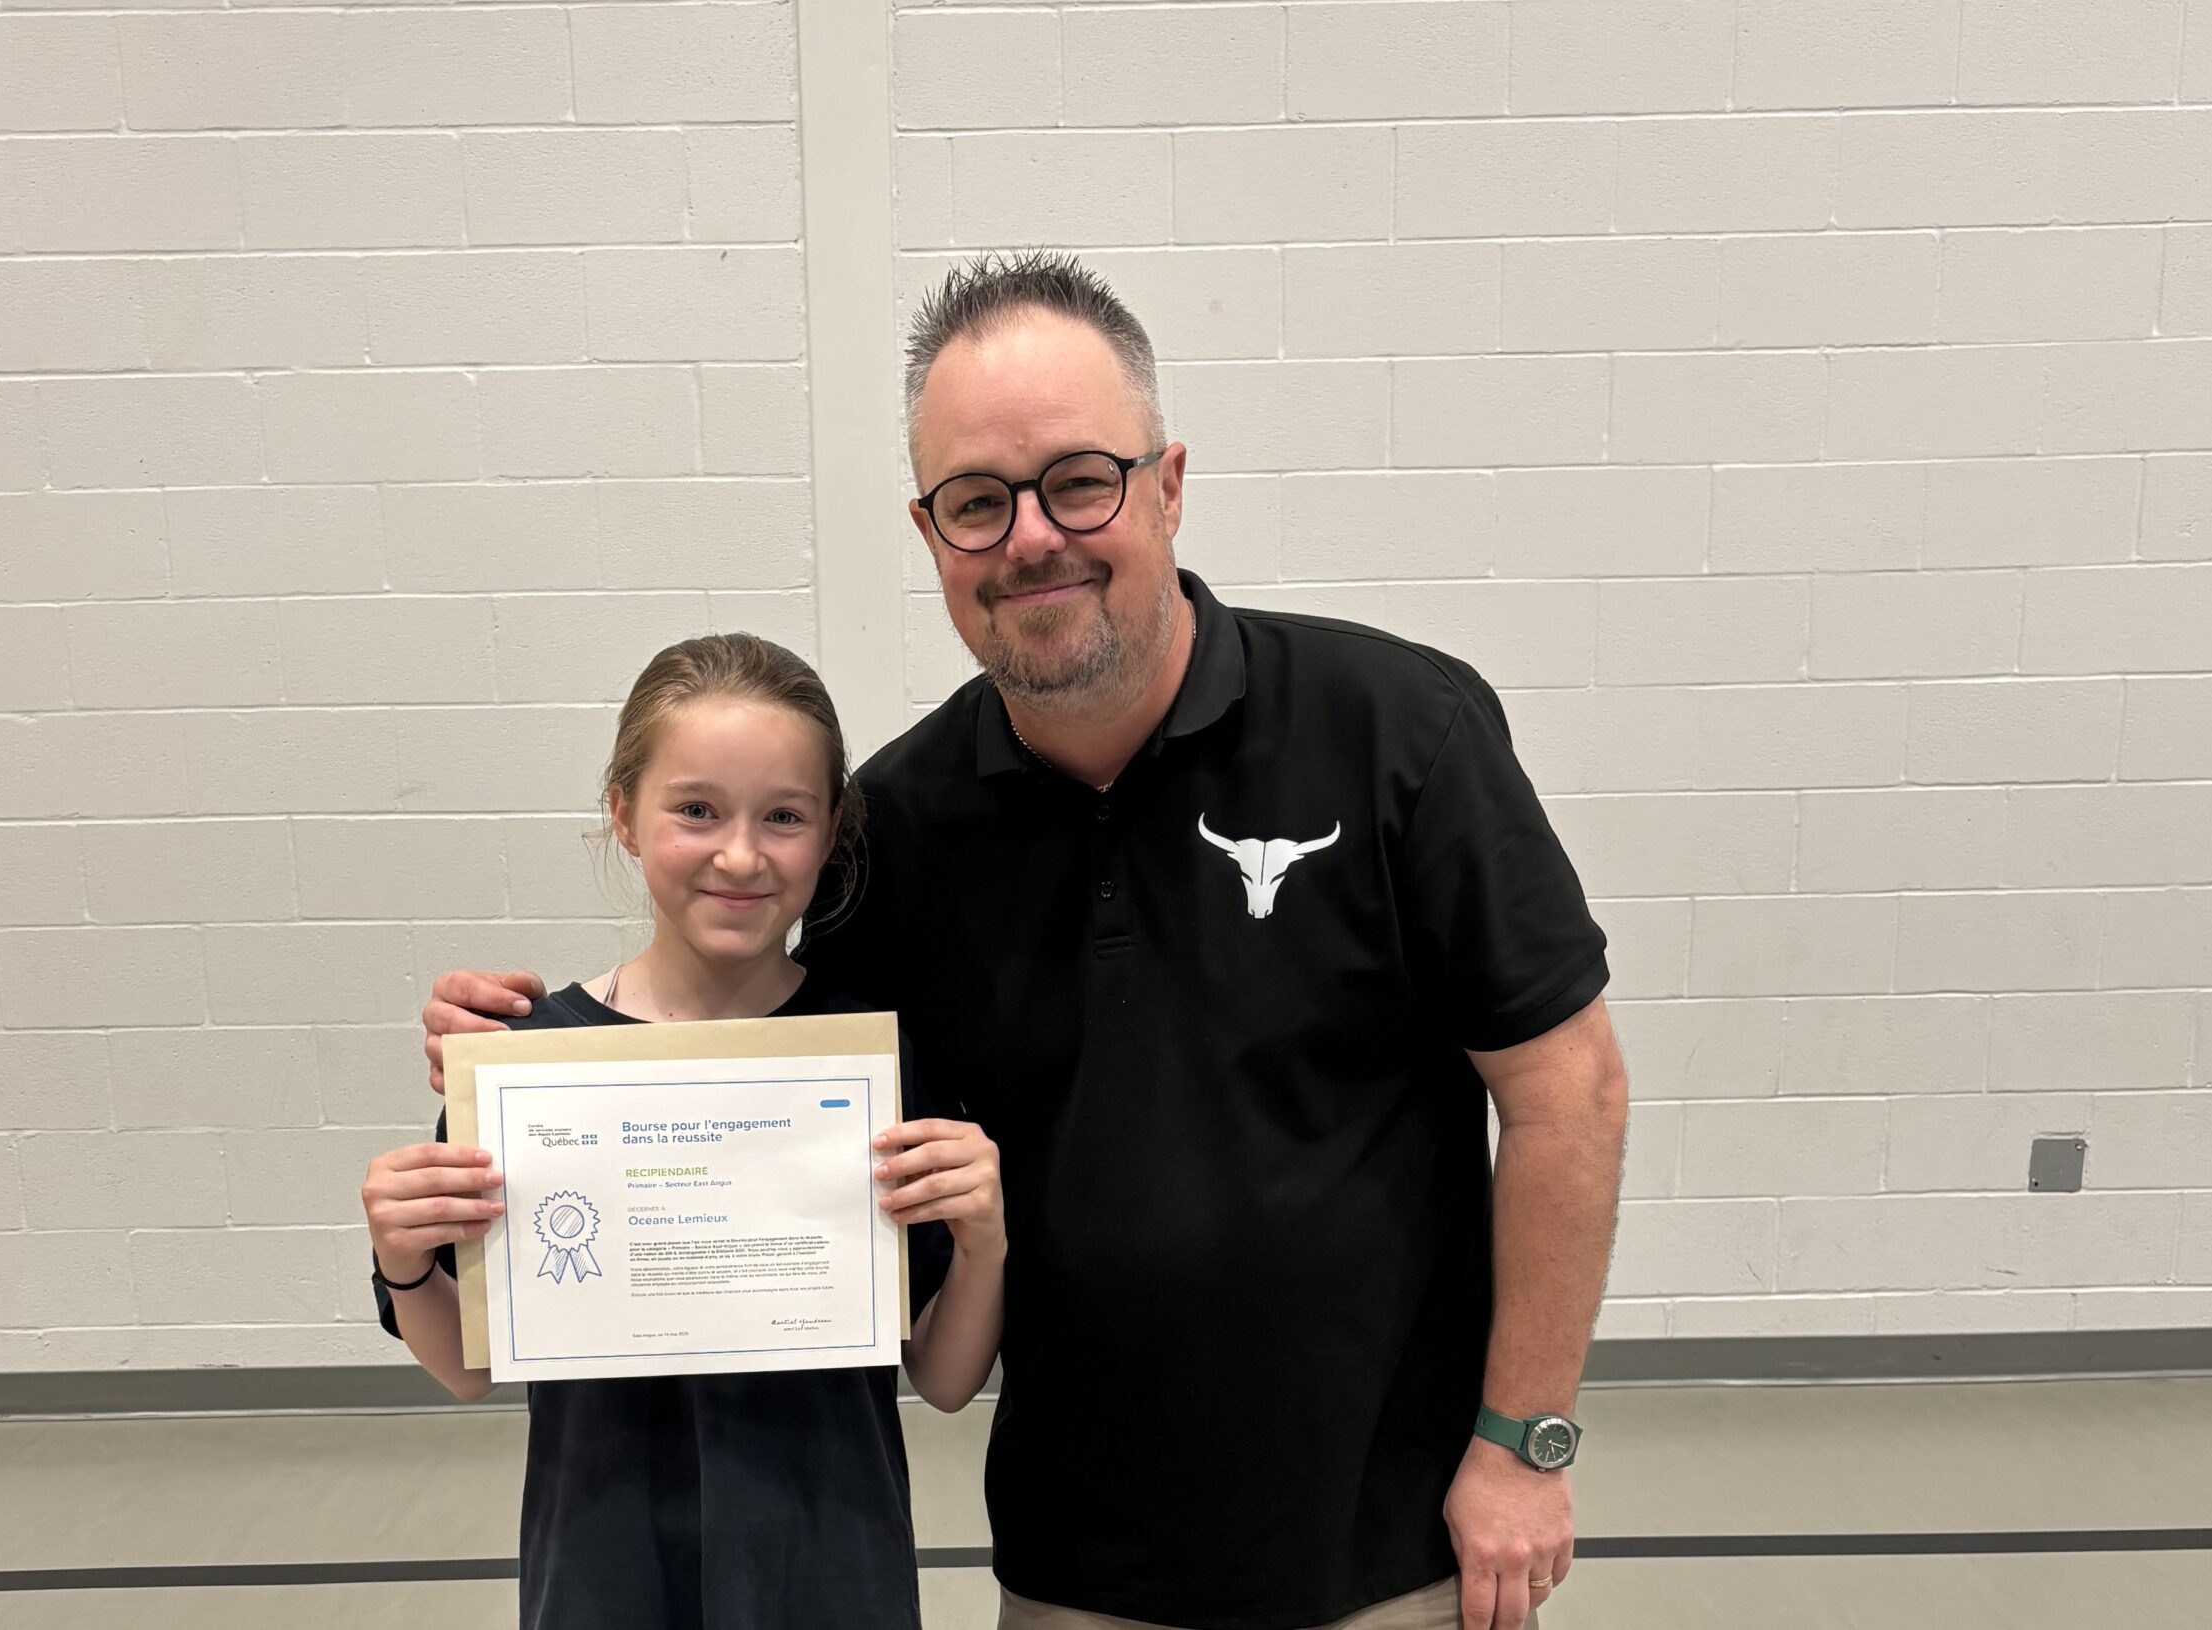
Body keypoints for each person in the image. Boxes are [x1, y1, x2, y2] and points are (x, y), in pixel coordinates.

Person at [422, 255, 1629, 1630]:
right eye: (978, 501)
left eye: (1080, 480)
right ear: (931, 531)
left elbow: (1569, 1091)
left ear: (1169, 485)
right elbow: (763, 1069)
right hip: (1074, 1571)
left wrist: (1523, 1440)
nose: (1032, 537)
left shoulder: (1400, 727)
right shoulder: (896, 827)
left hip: (1394, 1549)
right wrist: (530, 1073)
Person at [364, 632, 1007, 1630]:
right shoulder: (527, 1063)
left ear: (832, 830)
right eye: (696, 809)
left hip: (828, 1572)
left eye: (783, 815)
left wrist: (983, 1239)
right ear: (623, 813)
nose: (739, 854)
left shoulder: (868, 1061)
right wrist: (404, 1257)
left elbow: (946, 1377)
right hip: (606, 1570)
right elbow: (468, 1368)